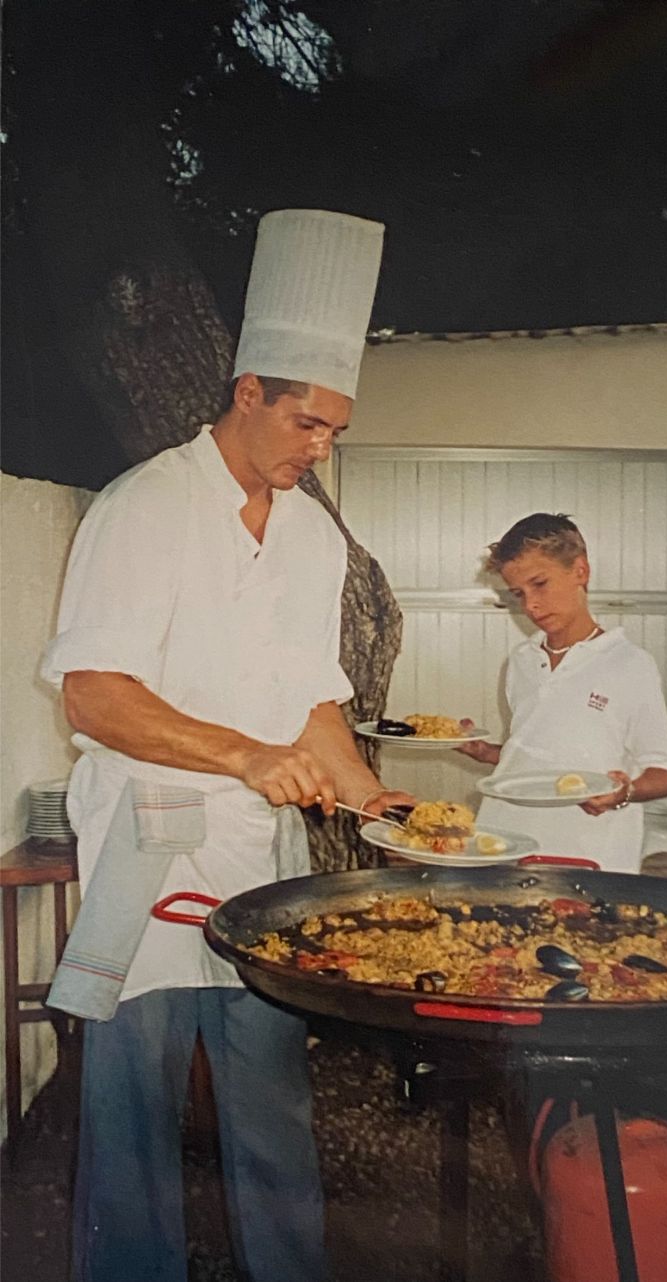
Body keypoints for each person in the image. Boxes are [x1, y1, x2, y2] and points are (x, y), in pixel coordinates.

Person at [41, 209, 412, 1282]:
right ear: (245, 392)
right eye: (306, 422)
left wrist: (376, 799)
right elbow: (94, 696)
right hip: (144, 858)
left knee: (272, 1118)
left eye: (336, 430)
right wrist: (245, 757)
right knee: (133, 1132)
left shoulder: (308, 536)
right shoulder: (144, 506)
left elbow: (309, 701)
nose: (320, 448)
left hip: (256, 872)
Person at [457, 512, 667, 871]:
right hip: (506, 839)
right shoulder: (522, 660)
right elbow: (542, 755)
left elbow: (665, 773)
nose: (530, 605)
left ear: (580, 571)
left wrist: (625, 792)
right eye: (518, 593)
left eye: (539, 584)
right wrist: (486, 752)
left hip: (589, 850)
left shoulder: (630, 664)